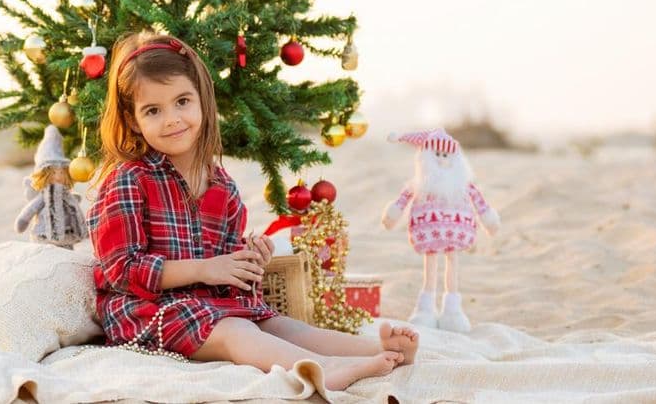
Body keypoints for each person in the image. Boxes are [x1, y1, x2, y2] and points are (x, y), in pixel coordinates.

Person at [87, 32, 419, 391]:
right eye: (153, 110)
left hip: (209, 300)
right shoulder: (129, 179)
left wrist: (248, 259)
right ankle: (321, 368)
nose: (172, 119)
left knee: (276, 323)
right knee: (235, 329)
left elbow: (224, 264)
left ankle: (378, 350)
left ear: (202, 99)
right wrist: (206, 269)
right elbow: (121, 269)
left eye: (182, 101)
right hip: (148, 310)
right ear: (134, 120)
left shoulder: (221, 185)